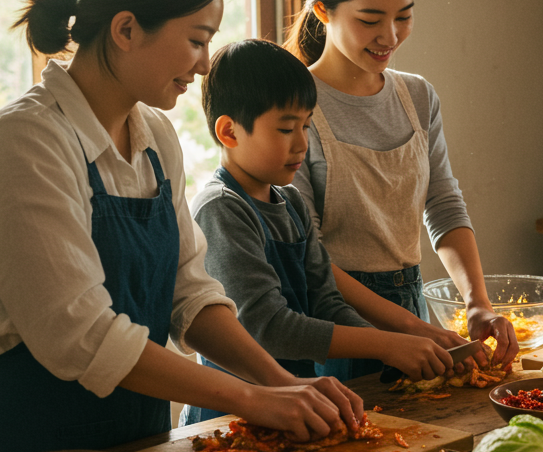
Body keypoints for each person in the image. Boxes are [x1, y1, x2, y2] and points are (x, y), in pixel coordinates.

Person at [0, 0, 364, 452]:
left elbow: (190, 295)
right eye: (197, 40)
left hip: (141, 441)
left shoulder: (154, 136)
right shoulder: (27, 141)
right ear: (126, 28)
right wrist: (252, 398)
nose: (203, 64)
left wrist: (281, 381)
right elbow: (83, 335)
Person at [180, 39, 471, 425]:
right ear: (229, 132)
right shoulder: (221, 209)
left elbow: (327, 303)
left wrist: (399, 349)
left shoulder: (292, 204)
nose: (301, 143)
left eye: (306, 125)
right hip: (229, 414)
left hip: (294, 403)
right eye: (286, 129)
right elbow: (270, 327)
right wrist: (386, 344)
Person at [283, 0, 517, 380]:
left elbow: (444, 205)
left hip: (411, 316)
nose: (389, 36)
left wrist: (477, 304)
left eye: (404, 15)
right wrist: (409, 330)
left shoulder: (417, 97)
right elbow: (310, 258)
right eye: (370, 19)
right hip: (337, 324)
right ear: (323, 10)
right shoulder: (294, 106)